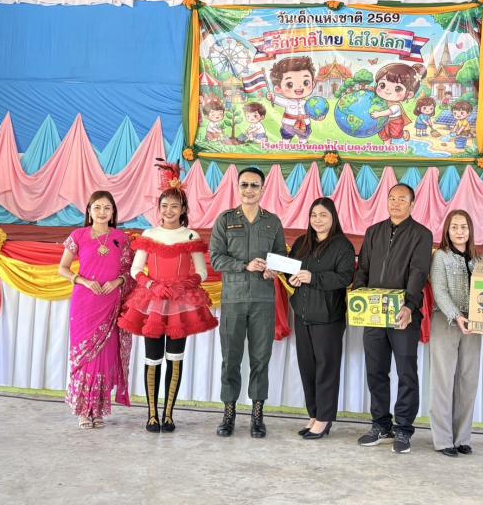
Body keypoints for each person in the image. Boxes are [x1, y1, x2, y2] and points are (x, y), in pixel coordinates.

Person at [118, 164, 218, 433]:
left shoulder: (191, 235)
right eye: (165, 206)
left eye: (175, 206)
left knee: (175, 357)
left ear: (183, 209)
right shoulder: (149, 235)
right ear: (159, 208)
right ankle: (152, 414)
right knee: (152, 358)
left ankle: (169, 414)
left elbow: (202, 271)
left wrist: (187, 282)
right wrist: (151, 284)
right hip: (152, 302)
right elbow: (135, 269)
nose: (169, 211)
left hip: (180, 304)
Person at [353, 183, 433, 454]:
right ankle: (380, 425)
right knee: (375, 370)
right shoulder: (373, 231)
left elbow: (419, 272)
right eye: (391, 198)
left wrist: (409, 306)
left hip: (402, 315)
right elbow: (362, 268)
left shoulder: (421, 234)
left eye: (402, 199)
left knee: (406, 372)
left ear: (412, 204)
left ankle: (404, 429)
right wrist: (359, 296)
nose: (395, 203)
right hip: (373, 313)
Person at [210, 166, 286, 438]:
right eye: (244, 184)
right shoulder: (225, 220)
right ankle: (229, 413)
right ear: (238, 187)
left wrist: (273, 269)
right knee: (230, 358)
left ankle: (257, 415)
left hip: (263, 300)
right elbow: (216, 259)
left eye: (255, 185)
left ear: (263, 189)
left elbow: (281, 257)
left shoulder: (272, 222)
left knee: (260, 358)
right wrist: (244, 265)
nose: (249, 190)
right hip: (233, 299)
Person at [58, 191, 134, 429]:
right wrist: (84, 281)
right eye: (97, 207)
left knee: (104, 357)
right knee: (85, 358)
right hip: (85, 304)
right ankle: (83, 411)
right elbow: (63, 268)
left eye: (107, 208)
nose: (102, 212)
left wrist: (118, 281)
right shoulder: (78, 235)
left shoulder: (122, 238)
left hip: (110, 304)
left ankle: (98, 410)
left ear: (113, 212)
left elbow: (131, 271)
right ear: (89, 211)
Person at [288, 197, 355, 440]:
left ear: (333, 218)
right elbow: (291, 270)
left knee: (326, 368)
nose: (317, 220)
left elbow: (345, 277)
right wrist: (292, 278)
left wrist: (313, 278)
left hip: (328, 318)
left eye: (323, 215)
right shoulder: (302, 242)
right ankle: (314, 414)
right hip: (302, 315)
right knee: (307, 367)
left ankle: (324, 418)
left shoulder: (342, 246)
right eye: (314, 215)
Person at [428, 210, 483, 457]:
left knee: (467, 380)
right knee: (443, 381)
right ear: (447, 231)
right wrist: (456, 315)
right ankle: (443, 440)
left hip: (473, 324)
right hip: (446, 321)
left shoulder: (479, 259)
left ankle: (462, 438)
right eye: (454, 227)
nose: (459, 231)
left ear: (470, 230)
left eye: (464, 227)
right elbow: (439, 290)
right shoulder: (440, 256)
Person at [371, 63, 426, 144]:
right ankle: (387, 144)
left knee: (395, 134)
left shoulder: (396, 106)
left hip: (395, 122)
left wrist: (379, 114)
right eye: (382, 85)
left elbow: (389, 111)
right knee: (383, 133)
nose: (387, 90)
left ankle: (404, 133)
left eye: (397, 88)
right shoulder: (382, 101)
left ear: (409, 94)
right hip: (385, 120)